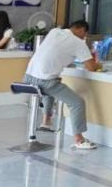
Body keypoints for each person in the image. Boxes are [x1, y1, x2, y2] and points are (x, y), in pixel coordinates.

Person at [25, 20, 98, 150]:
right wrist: (97, 64)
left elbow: (55, 52)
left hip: (28, 78)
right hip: (45, 82)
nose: (84, 37)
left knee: (52, 83)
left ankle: (46, 121)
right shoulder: (78, 43)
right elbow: (91, 67)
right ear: (82, 30)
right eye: (85, 34)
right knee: (77, 103)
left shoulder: (54, 32)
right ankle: (79, 139)